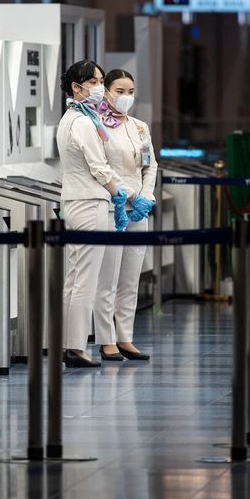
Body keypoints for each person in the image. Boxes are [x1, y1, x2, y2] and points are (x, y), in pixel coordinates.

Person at [57, 60, 134, 368]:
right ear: (77, 88)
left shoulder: (79, 118)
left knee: (76, 277)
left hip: (82, 200)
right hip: (88, 202)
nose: (99, 87)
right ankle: (75, 348)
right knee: (84, 278)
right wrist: (126, 194)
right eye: (94, 82)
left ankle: (71, 344)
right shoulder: (82, 122)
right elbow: (99, 168)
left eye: (101, 80)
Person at [93, 69, 157, 362]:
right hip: (111, 206)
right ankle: (106, 341)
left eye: (130, 91)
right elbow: (101, 168)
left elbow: (150, 165)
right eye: (120, 91)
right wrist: (127, 196)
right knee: (108, 277)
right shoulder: (96, 125)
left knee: (131, 277)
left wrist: (145, 197)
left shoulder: (140, 127)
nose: (126, 97)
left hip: (138, 209)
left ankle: (125, 337)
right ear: (106, 91)